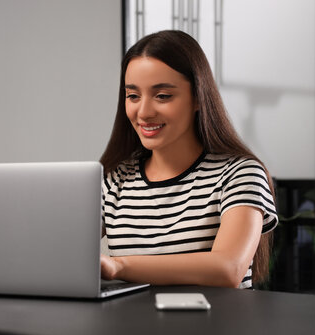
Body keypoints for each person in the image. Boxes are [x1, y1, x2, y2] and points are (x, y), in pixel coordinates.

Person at [99, 30, 278, 289]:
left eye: (162, 96)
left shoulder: (240, 174)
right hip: (133, 328)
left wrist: (119, 266)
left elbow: (228, 269)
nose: (144, 112)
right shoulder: (114, 180)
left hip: (217, 329)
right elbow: (61, 251)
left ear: (197, 97)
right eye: (133, 96)